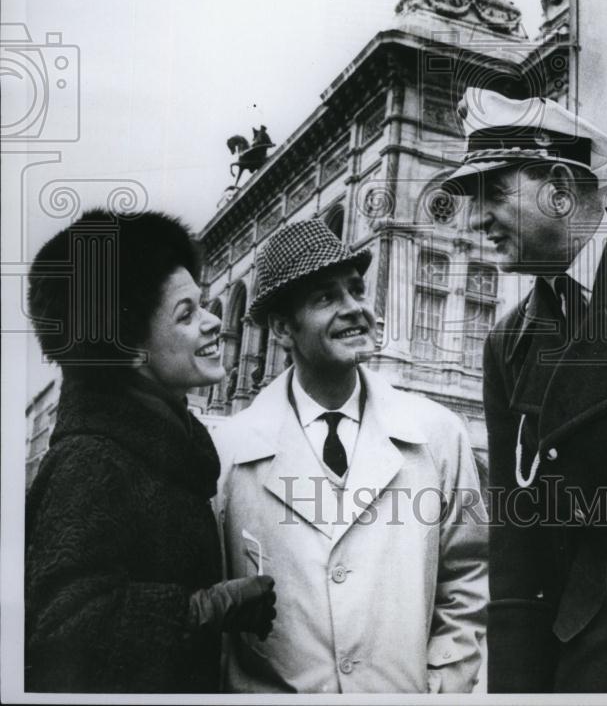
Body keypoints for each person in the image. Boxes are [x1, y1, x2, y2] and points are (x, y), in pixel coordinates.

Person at [214, 219, 487, 694]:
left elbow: (466, 574)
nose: (355, 309)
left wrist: (445, 681)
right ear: (282, 328)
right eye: (325, 298)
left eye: (357, 290)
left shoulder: (438, 433)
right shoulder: (229, 451)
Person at [25, 209, 276, 693]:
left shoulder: (160, 448)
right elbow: (63, 636)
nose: (213, 323)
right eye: (187, 314)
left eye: (204, 306)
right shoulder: (93, 462)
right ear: (131, 348)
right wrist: (208, 608)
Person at [441, 90, 607, 693]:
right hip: (581, 658)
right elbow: (518, 555)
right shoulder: (510, 343)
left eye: (493, 193)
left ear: (559, 186)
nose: (473, 221)